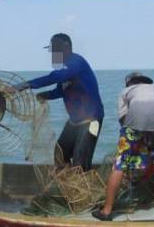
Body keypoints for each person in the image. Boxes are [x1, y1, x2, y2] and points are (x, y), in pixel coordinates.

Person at [92, 72, 154, 221]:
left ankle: (106, 211)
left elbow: (123, 119)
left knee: (119, 165)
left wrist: (133, 138)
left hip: (134, 125)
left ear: (130, 83)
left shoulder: (126, 91)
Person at [20, 33, 104, 171]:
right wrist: (45, 95)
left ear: (67, 47)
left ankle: (82, 189)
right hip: (74, 121)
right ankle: (69, 187)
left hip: (91, 120)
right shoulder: (65, 68)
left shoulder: (76, 62)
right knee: (60, 154)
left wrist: (24, 85)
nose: (53, 52)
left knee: (80, 161)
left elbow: (55, 76)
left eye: (56, 48)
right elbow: (60, 91)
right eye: (52, 49)